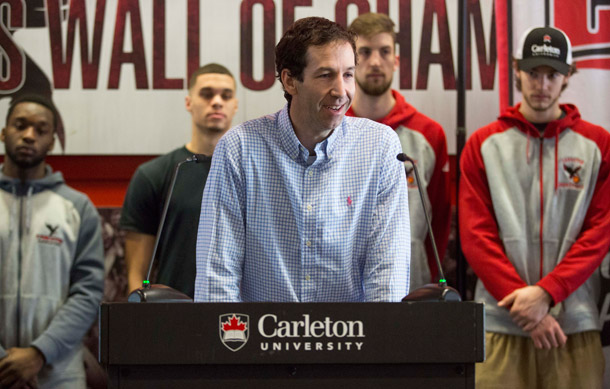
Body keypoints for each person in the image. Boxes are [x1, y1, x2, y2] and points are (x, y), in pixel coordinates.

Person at [194, 17, 410, 303]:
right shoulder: (240, 148)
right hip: (261, 340)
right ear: (290, 80)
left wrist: (380, 344)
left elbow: (388, 272)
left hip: (351, 341)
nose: (341, 91)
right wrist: (227, 344)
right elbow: (217, 273)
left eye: (347, 74)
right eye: (325, 75)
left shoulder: (381, 147)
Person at [459, 26, 610, 388]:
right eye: (533, 72)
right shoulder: (484, 144)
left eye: (552, 74)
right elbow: (475, 236)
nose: (542, 84)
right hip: (499, 323)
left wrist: (547, 294)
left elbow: (600, 232)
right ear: (516, 71)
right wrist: (526, 308)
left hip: (572, 324)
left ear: (568, 77)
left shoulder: (597, 144)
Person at [0, 95, 104, 388]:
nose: (29, 135)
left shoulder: (77, 207)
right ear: (4, 132)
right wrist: (7, 363)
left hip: (58, 374)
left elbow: (88, 291)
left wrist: (37, 353)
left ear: (52, 142)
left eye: (41, 129)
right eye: (20, 126)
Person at [347, 13, 450, 290]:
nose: (375, 61)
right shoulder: (331, 130)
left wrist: (428, 279)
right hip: (343, 290)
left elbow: (439, 221)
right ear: (350, 62)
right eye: (365, 53)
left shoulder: (429, 134)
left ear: (396, 61)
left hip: (412, 287)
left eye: (384, 51)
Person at [120, 63, 238, 298]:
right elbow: (137, 275)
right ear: (188, 103)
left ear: (234, 105)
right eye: (206, 94)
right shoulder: (154, 174)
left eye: (226, 96)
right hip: (173, 314)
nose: (217, 101)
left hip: (239, 314)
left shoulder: (253, 173)